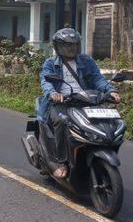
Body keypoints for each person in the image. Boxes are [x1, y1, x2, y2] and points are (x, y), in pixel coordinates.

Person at [37, 28, 121, 179]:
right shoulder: (50, 63)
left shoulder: (86, 61)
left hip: (86, 100)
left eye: (74, 44)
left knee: (110, 122)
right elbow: (45, 81)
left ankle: (95, 151)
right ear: (58, 47)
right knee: (62, 121)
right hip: (62, 103)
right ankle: (61, 162)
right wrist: (53, 94)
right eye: (67, 45)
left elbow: (98, 78)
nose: (71, 48)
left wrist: (110, 91)